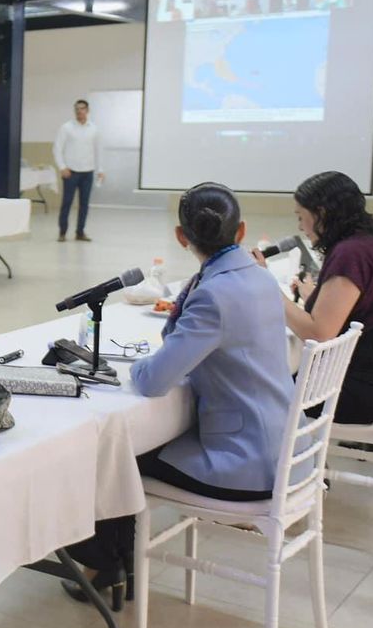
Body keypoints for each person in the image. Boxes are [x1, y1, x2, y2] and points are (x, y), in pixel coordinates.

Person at [65, 183, 297, 600]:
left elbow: (154, 381)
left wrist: (133, 366)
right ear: (241, 232)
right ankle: (115, 565)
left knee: (119, 453)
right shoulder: (260, 279)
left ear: (180, 236)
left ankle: (106, 568)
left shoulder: (213, 294)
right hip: (279, 446)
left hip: (245, 461)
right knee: (141, 442)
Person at [259, 170, 373, 424]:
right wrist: (315, 296)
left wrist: (266, 285)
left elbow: (318, 334)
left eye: (301, 217)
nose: (300, 227)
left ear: (321, 213)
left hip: (354, 388)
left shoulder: (351, 253)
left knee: (252, 393)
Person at [53, 99, 103, 242]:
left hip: (88, 172)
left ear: (87, 111)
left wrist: (100, 169)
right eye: (77, 109)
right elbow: (57, 148)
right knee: (67, 203)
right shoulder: (66, 128)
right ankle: (62, 232)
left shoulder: (94, 129)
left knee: (84, 204)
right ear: (75, 111)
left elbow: (98, 150)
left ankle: (80, 232)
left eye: (82, 109)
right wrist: (62, 167)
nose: (79, 111)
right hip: (70, 172)